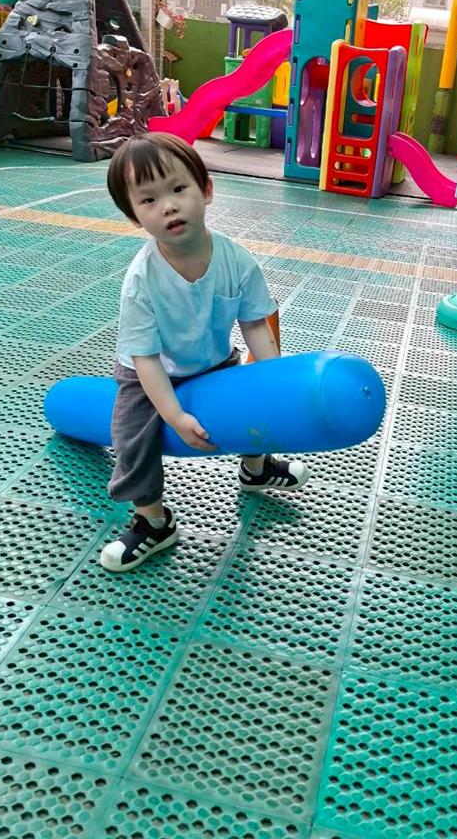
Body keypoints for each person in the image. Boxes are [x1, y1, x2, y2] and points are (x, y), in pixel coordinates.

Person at [100, 132, 310, 572]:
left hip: (214, 361)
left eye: (178, 189)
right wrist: (175, 416)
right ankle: (153, 520)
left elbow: (255, 324)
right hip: (151, 371)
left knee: (254, 402)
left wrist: (274, 383)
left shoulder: (237, 261)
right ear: (134, 217)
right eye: (149, 200)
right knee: (132, 434)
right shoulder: (141, 280)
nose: (169, 206)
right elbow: (145, 359)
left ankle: (256, 468)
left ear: (207, 190)